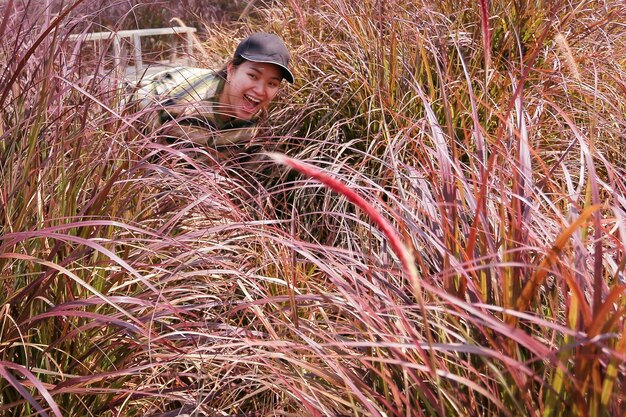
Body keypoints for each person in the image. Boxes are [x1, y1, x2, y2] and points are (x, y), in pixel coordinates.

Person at [134, 32, 294, 164]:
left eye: (272, 84)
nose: (260, 91)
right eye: (253, 76)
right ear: (231, 70)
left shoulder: (254, 121)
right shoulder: (180, 98)